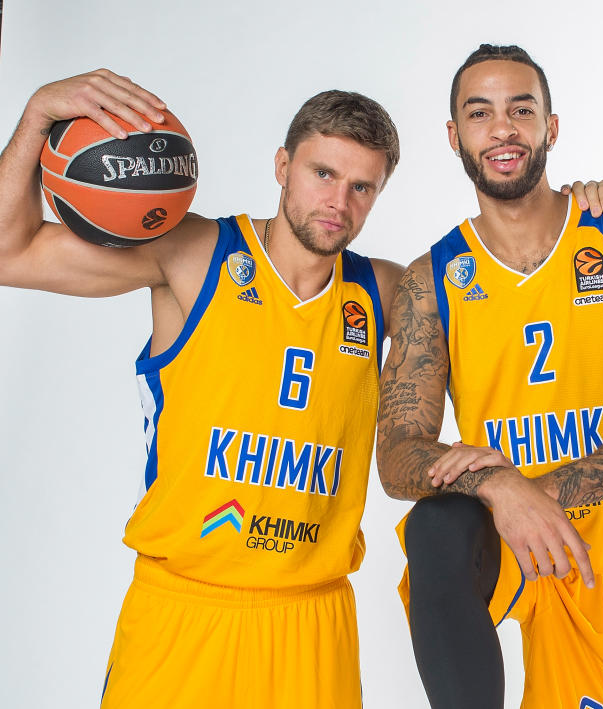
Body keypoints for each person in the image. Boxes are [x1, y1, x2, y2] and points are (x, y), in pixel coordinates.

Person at [0, 69, 404, 707]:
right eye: (322, 174)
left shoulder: (385, 292)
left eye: (362, 187)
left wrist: (586, 210)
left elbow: (513, 304)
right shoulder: (193, 255)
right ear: (282, 166)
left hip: (312, 620)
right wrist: (34, 119)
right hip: (183, 607)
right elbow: (6, 250)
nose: (339, 202)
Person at [376, 44, 603, 709]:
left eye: (519, 111)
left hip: (598, 557)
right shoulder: (430, 281)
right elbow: (397, 454)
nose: (501, 129)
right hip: (494, 543)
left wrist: (537, 495)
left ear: (550, 128)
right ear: (454, 136)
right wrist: (499, 487)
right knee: (434, 527)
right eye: (479, 113)